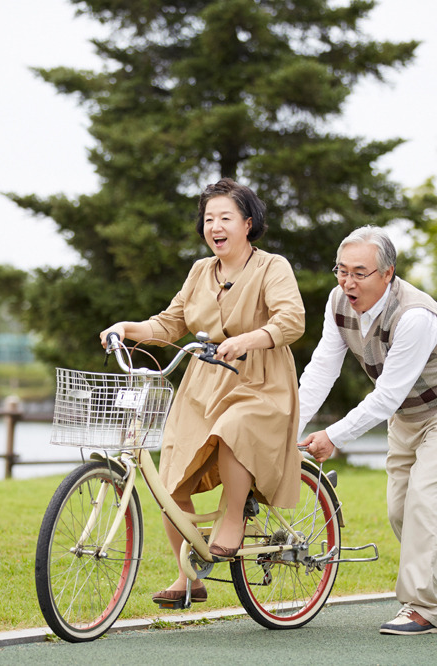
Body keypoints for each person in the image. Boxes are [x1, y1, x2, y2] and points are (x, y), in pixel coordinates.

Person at [100, 178, 305, 606]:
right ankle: (187, 575)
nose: (215, 225)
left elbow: (292, 321)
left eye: (225, 217)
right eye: (209, 218)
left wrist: (249, 339)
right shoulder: (199, 271)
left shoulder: (273, 267)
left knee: (234, 427)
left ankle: (234, 519)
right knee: (171, 478)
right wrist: (126, 328)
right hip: (203, 383)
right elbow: (169, 324)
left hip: (259, 380)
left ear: (248, 224)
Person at [297, 226, 437, 635]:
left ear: (387, 274)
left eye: (360, 272)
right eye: (341, 270)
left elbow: (386, 394)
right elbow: (322, 369)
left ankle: (423, 607)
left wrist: (334, 435)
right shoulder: (339, 302)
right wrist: (290, 428)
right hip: (409, 415)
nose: (348, 282)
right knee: (399, 511)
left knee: (423, 500)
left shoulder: (415, 316)